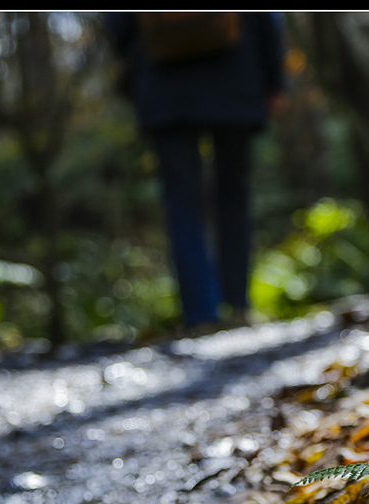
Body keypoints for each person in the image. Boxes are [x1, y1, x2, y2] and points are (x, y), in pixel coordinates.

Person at [105, 12, 286, 332]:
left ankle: (200, 313)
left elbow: (118, 26)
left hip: (166, 86)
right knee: (233, 195)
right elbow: (265, 19)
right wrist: (273, 80)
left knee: (182, 203)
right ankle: (237, 305)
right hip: (235, 79)